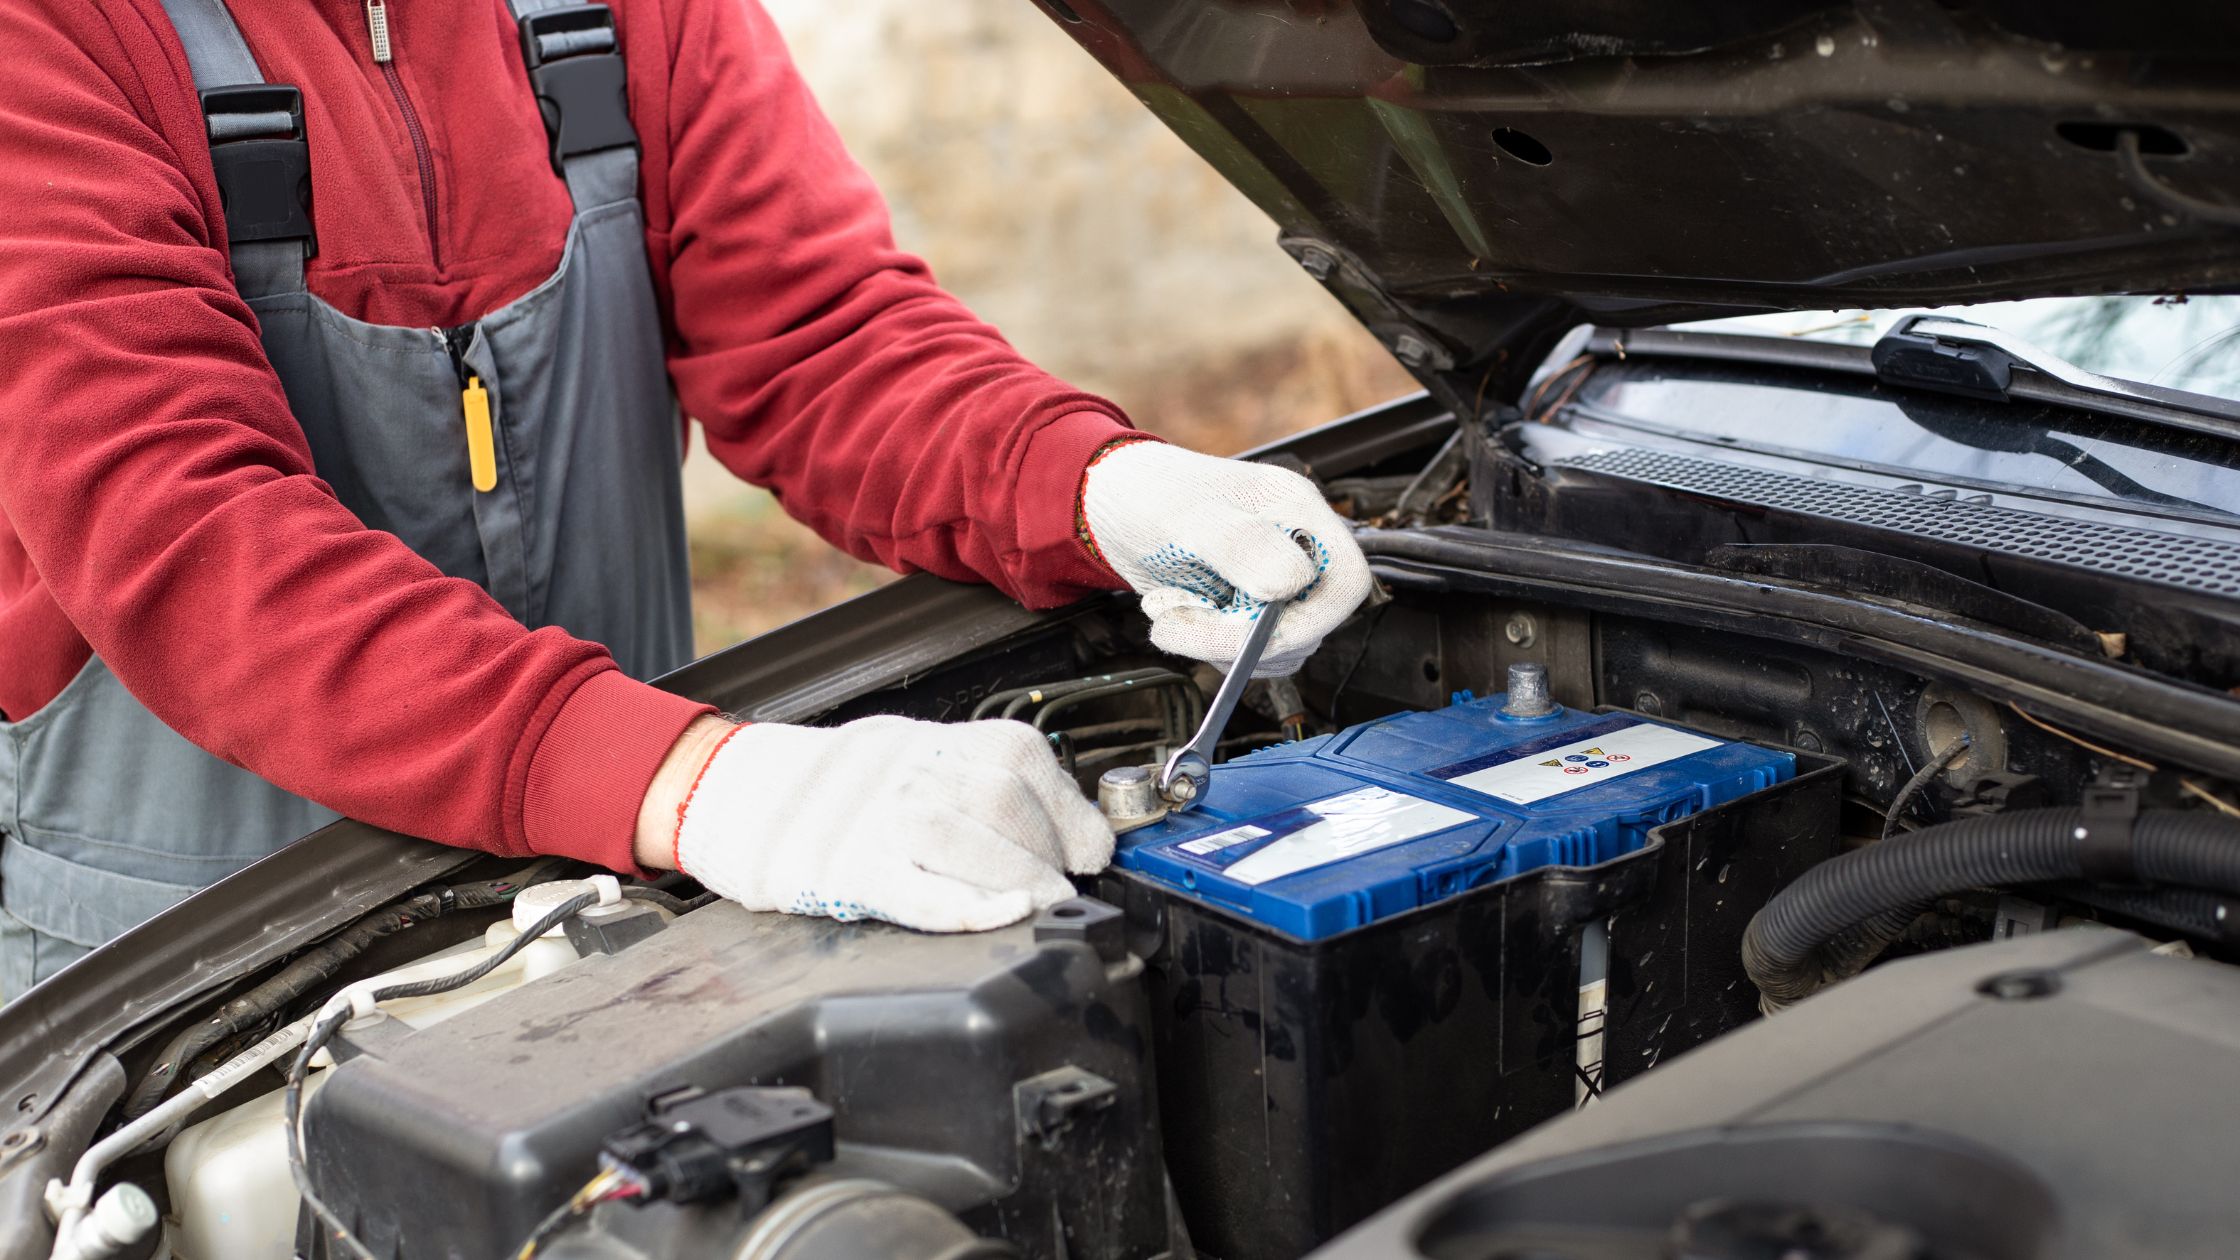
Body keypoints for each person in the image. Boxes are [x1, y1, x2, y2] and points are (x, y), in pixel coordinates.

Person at [0, 0, 1371, 990]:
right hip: (186, 974)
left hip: (618, 886)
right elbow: (186, 531)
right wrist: (704, 782)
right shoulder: (46, 38)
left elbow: (820, 335)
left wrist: (1092, 485)